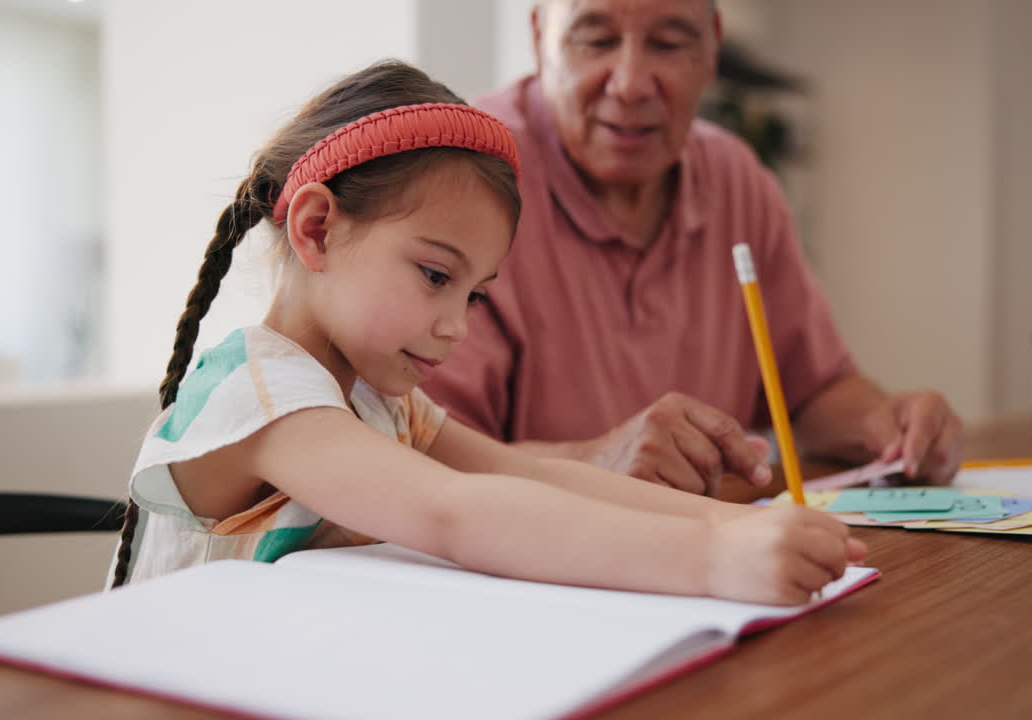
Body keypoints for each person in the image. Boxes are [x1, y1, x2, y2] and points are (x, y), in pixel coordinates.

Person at [105, 60, 865, 606]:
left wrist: (739, 521)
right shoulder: (263, 393)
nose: (455, 327)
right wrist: (711, 559)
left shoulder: (377, 397)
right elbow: (453, 511)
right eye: (437, 277)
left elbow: (522, 475)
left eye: (476, 296)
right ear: (316, 229)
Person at [422, 0, 964, 495]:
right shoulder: (469, 179)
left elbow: (812, 393)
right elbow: (418, 449)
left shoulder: (738, 180)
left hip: (714, 559)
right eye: (597, 39)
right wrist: (596, 460)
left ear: (712, 49)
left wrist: (889, 426)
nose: (631, 84)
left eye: (669, 43)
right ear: (541, 38)